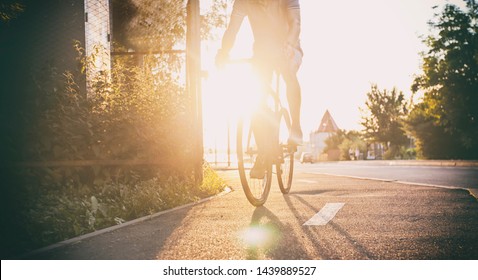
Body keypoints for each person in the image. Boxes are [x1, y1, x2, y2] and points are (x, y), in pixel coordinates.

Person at [216, 0, 303, 178]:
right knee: (256, 100)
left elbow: (295, 23)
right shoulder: (242, 2)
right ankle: (263, 151)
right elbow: (232, 29)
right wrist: (223, 52)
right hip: (262, 52)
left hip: (289, 46)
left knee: (288, 74)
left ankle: (295, 126)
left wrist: (288, 43)